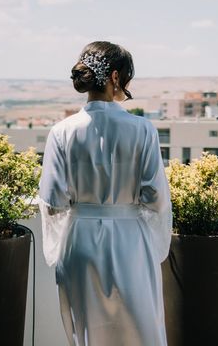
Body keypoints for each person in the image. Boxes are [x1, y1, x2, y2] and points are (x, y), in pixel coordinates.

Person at [39, 41, 172, 346]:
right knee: (140, 329)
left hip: (80, 241)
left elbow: (53, 200)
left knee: (88, 331)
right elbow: (156, 197)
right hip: (131, 242)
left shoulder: (62, 132)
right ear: (115, 77)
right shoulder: (142, 129)